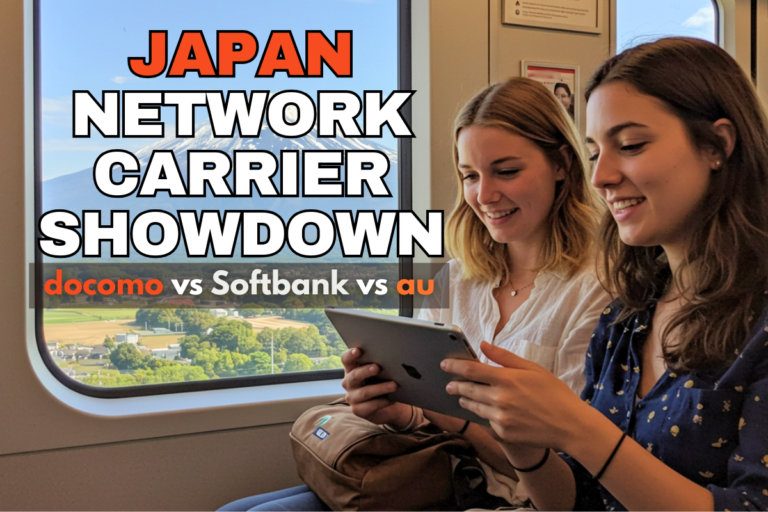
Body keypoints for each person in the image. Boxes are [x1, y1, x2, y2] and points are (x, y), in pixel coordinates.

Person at [443, 37, 768, 511]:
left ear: (718, 145)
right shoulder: (630, 312)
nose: (600, 178)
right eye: (595, 153)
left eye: (631, 145)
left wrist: (576, 427)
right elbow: (576, 501)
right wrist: (526, 446)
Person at [340, 76, 610, 507]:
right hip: (445, 473)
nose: (483, 195)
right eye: (470, 176)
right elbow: (429, 405)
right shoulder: (458, 278)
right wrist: (398, 411)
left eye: (506, 171)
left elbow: (574, 470)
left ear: (561, 164)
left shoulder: (596, 291)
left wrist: (461, 426)